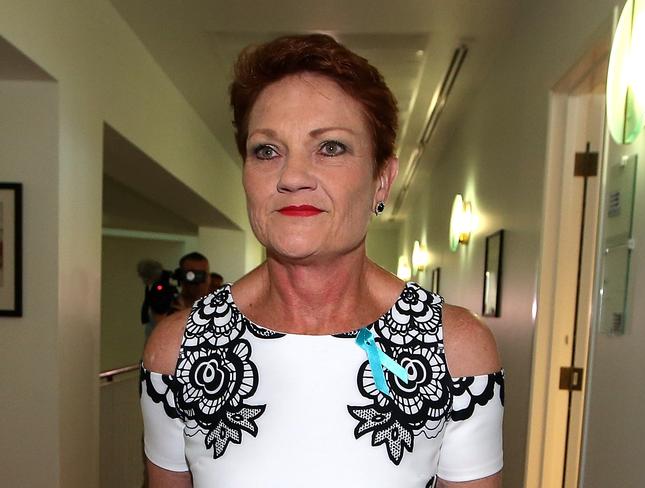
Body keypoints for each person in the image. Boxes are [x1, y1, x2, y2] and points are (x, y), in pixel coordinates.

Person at [141, 34, 503, 488]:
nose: (292, 176)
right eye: (267, 150)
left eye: (330, 147)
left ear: (381, 180)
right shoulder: (178, 348)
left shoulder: (456, 348)